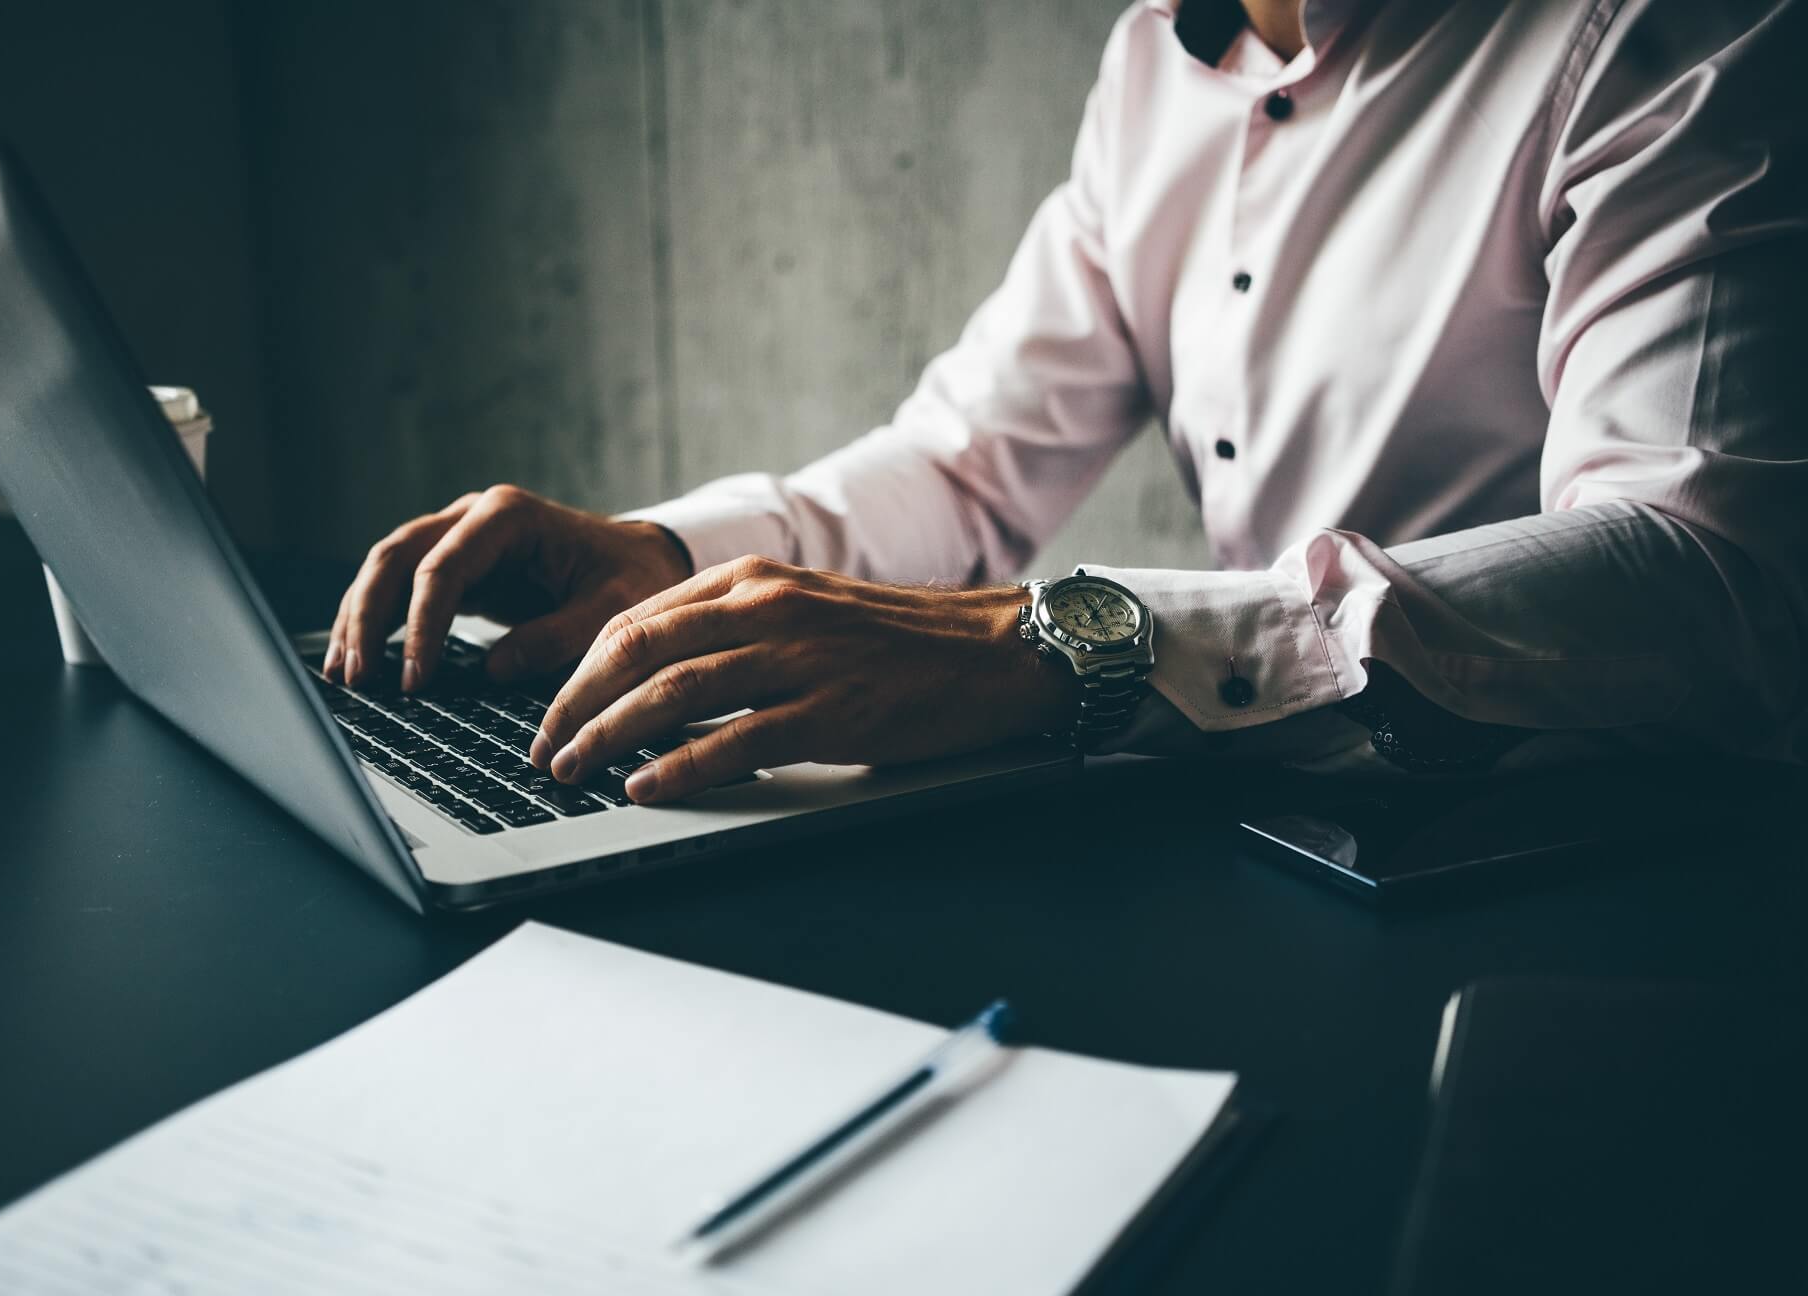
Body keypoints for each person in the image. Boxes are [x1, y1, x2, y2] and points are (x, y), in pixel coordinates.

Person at [323, 0, 1807, 805]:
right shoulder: (1153, 65)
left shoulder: (1666, 31)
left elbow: (1709, 574)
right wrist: (668, 559)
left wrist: (1070, 645)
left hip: (1601, 886)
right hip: (1260, 830)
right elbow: (969, 469)